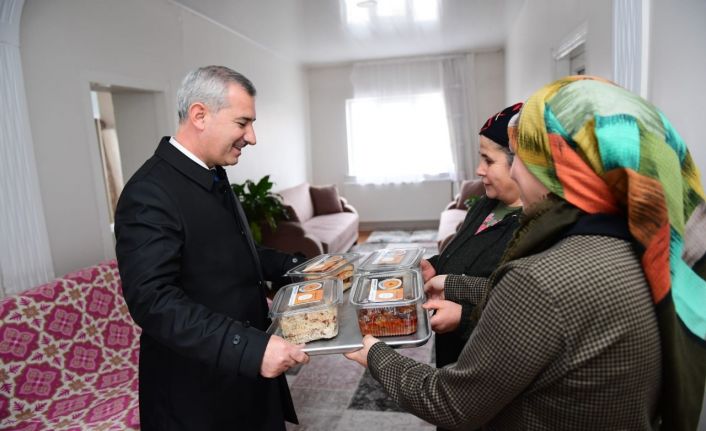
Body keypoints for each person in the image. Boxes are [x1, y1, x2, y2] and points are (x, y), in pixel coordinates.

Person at [346, 75, 706, 430]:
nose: (516, 171)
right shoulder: (652, 248)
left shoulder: (540, 278)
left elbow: (453, 403)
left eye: (521, 155)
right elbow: (557, 313)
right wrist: (452, 283)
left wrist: (375, 353)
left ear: (560, 166)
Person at [114, 65, 310, 431]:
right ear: (200, 115)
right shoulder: (149, 193)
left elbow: (238, 254)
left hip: (245, 371)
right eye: (242, 123)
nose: (251, 137)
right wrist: (250, 348)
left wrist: (305, 268)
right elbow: (154, 302)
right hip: (198, 391)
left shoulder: (212, 173)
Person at [420, 103, 523, 369]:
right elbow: (465, 252)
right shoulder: (486, 203)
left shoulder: (533, 227)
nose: (479, 169)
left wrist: (465, 318)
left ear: (520, 163)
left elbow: (518, 305)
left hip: (484, 359)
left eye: (489, 160)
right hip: (451, 346)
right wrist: (435, 265)